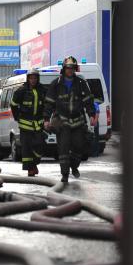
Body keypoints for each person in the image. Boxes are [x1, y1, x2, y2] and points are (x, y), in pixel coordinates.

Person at [44, 55, 96, 183]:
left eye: (72, 68)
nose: (70, 70)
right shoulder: (56, 84)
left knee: (79, 146)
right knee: (63, 148)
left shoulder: (81, 83)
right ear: (64, 69)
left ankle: (74, 166)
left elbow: (88, 101)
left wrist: (92, 115)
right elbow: (49, 103)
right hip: (62, 121)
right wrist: (46, 119)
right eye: (68, 68)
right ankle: (65, 174)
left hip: (78, 120)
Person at [10, 67, 47, 176]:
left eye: (35, 78)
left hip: (38, 124)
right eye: (31, 78)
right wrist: (17, 117)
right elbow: (13, 104)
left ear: (38, 79)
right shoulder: (21, 90)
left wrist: (46, 118)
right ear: (28, 79)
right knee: (27, 148)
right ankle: (30, 168)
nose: (33, 80)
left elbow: (48, 105)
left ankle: (34, 164)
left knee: (39, 146)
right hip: (25, 125)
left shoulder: (43, 90)